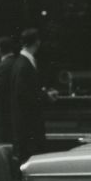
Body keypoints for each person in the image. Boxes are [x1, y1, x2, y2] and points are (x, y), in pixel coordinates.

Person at [9, 27, 57, 163]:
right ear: (37, 42)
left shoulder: (21, 62)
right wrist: (46, 96)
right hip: (29, 125)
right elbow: (25, 95)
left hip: (25, 125)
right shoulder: (24, 64)